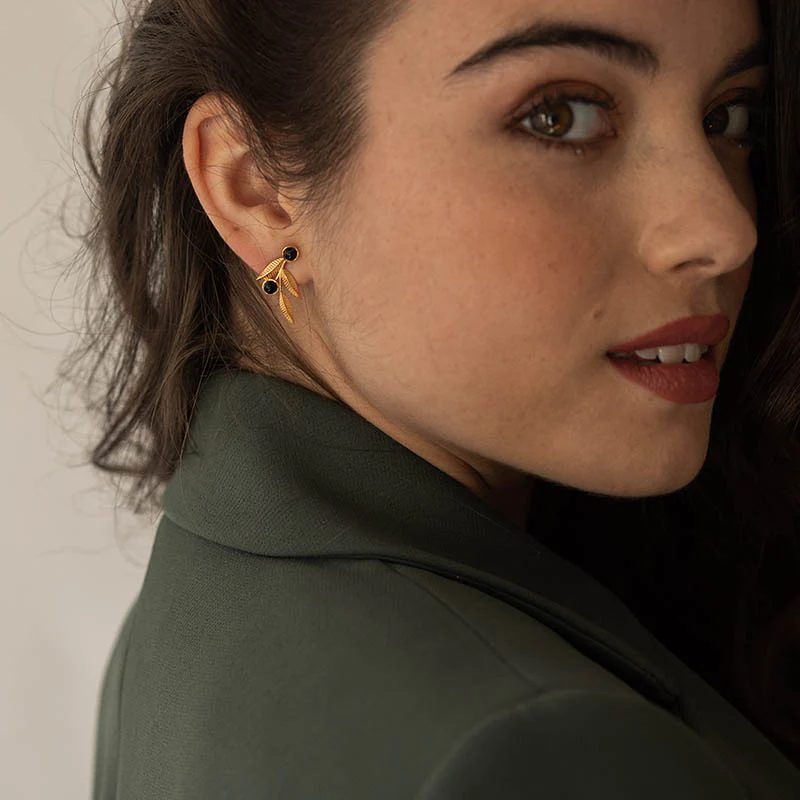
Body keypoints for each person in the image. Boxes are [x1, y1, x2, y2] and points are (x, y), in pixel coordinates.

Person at [61, 0, 800, 796]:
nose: (725, 229)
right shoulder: (545, 749)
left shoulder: (198, 607)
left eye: (729, 117)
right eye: (559, 116)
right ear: (257, 188)